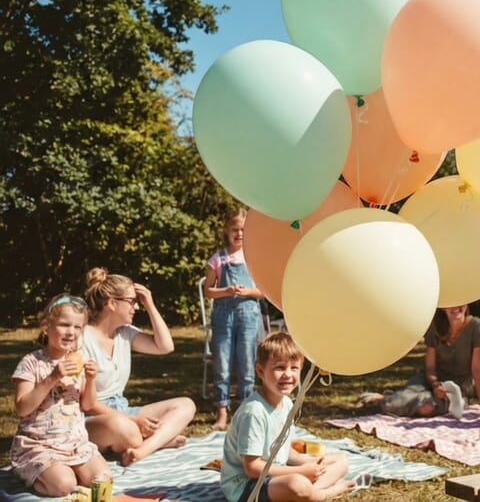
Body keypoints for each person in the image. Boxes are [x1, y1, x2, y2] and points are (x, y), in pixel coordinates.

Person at [81, 268, 196, 466]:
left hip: (123, 410)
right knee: (126, 430)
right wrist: (134, 421)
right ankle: (158, 441)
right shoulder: (82, 338)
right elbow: (87, 404)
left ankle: (142, 449)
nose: (136, 307)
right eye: (132, 301)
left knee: (186, 405)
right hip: (95, 417)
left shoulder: (125, 333)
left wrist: (150, 304)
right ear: (112, 303)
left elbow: (165, 347)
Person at [220, 332, 355, 502]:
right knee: (296, 483)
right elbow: (252, 468)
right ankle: (323, 493)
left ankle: (309, 492)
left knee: (341, 460)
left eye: (294, 368)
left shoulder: (287, 404)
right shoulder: (254, 412)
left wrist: (307, 463)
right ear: (261, 371)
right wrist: (300, 471)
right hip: (246, 487)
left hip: (277, 474)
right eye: (280, 368)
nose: (288, 374)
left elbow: (283, 449)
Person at [10, 294, 110, 497]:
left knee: (103, 478)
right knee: (64, 485)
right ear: (46, 327)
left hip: (75, 444)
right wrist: (52, 377)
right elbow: (22, 408)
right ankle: (31, 474)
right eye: (64, 325)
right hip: (39, 446)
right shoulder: (32, 362)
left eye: (77, 327)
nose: (71, 332)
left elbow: (87, 405)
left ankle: (64, 472)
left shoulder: (78, 361)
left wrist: (91, 379)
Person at [359, 305, 480, 419]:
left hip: (457, 387)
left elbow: (477, 370)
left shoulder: (477, 327)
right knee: (398, 402)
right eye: (451, 304)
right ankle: (387, 399)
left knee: (427, 408)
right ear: (443, 307)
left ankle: (392, 399)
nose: (456, 307)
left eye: (461, 302)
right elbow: (430, 367)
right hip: (430, 379)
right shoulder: (435, 327)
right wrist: (435, 385)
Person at [204, 207, 266, 430]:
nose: (239, 234)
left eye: (243, 230)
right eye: (234, 229)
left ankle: (244, 411)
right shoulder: (218, 259)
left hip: (248, 317)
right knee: (222, 365)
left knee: (247, 364)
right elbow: (208, 290)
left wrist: (248, 291)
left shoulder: (253, 257)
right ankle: (222, 411)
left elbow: (264, 291)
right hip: (223, 317)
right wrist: (226, 291)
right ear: (226, 230)